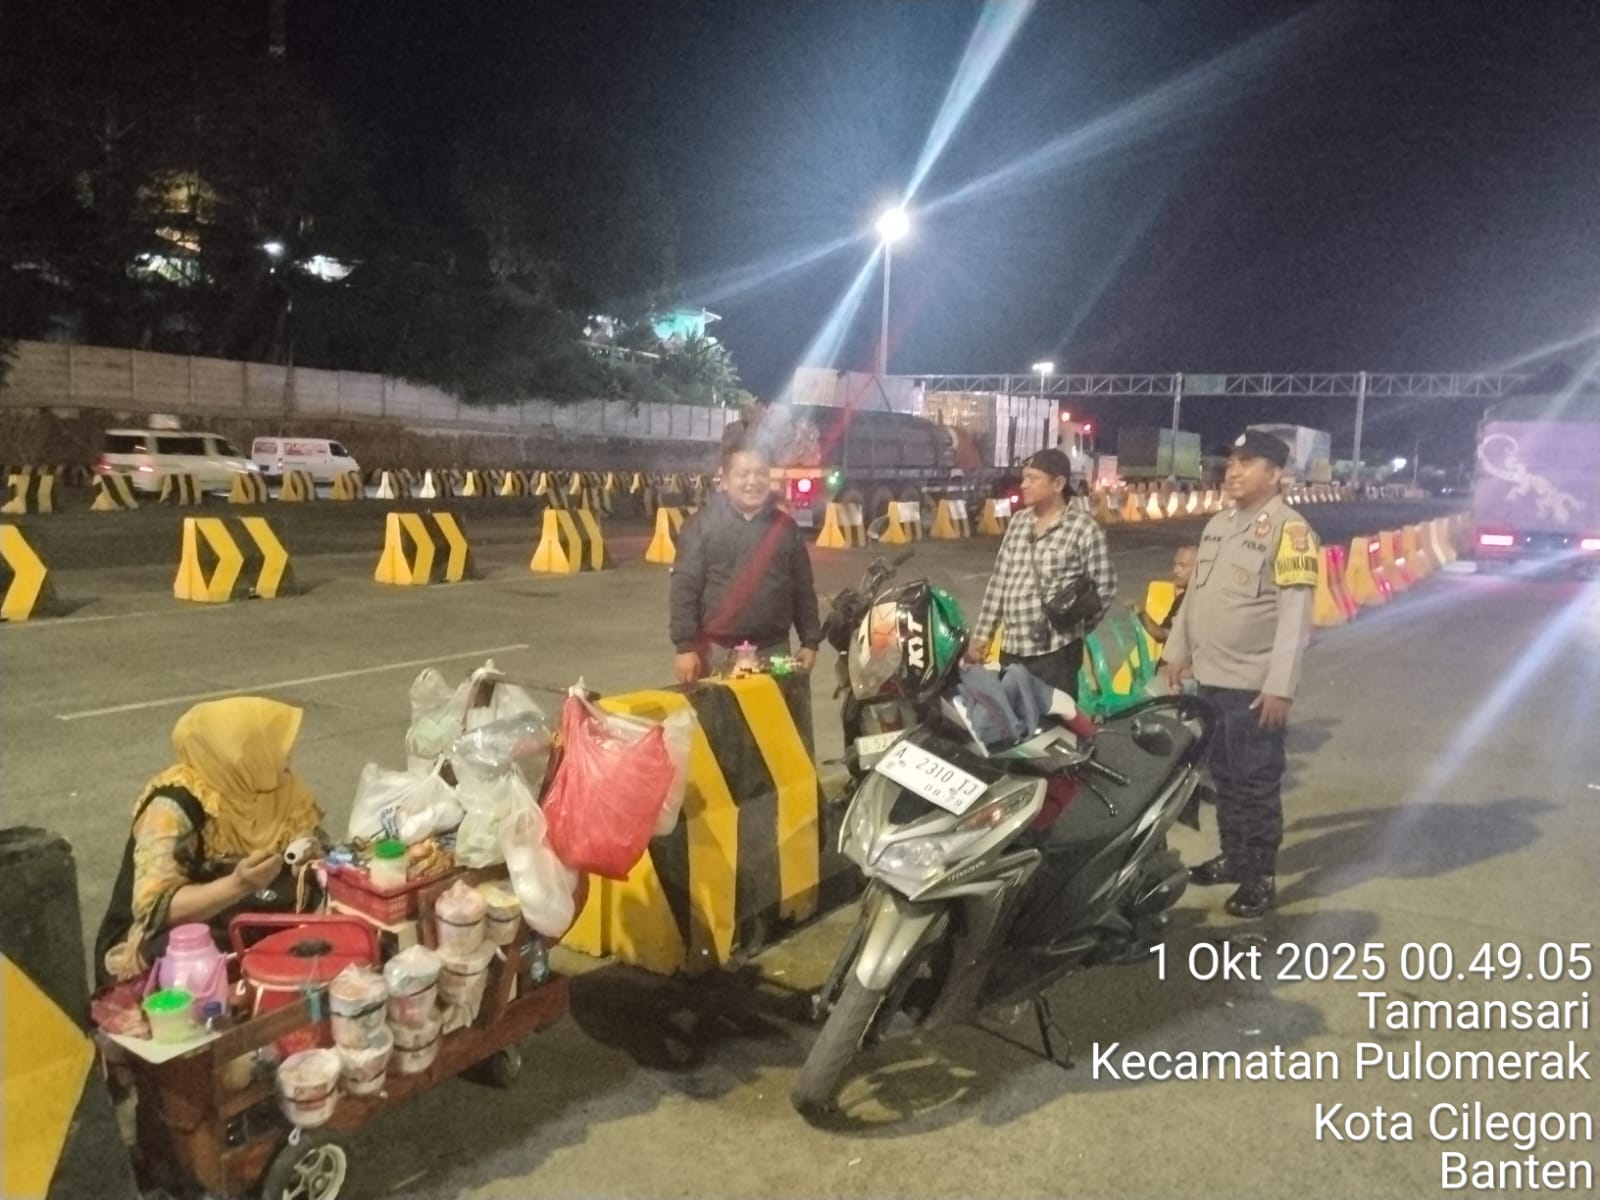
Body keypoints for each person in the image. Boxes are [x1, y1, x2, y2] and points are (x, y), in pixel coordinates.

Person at [1161, 431, 1319, 919]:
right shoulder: (1218, 525)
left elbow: (1295, 616)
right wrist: (1175, 653)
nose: (1233, 470)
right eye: (1231, 461)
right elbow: (1195, 597)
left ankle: (1259, 877)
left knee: (1255, 783)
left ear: (1275, 474)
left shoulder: (1290, 532)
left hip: (1253, 686)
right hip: (1210, 679)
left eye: (1247, 462)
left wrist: (1280, 686)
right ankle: (1233, 855)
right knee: (1225, 779)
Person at [94, 697, 324, 985]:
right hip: (168, 933)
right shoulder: (175, 805)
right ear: (240, 756)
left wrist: (309, 857)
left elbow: (309, 845)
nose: (288, 761)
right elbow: (153, 910)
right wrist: (239, 884)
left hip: (236, 909)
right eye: (277, 749)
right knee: (199, 962)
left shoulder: (276, 786)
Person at [965, 447, 1117, 699]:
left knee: (1054, 719)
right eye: (1024, 477)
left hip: (1056, 655)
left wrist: (1075, 626)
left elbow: (1105, 587)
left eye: (1033, 478)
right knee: (1013, 717)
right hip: (1013, 648)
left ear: (1058, 484)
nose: (1024, 484)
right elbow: (1000, 580)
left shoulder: (1083, 528)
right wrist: (982, 635)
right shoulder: (1019, 522)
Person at [670, 436, 822, 684]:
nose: (753, 481)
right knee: (718, 711)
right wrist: (685, 647)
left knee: (776, 711)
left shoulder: (786, 529)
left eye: (761, 473)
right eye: (743, 474)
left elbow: (803, 589)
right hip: (715, 654)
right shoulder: (700, 527)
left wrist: (810, 641)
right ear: (724, 480)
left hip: (774, 652)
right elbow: (684, 589)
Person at [1133, 544, 1198, 649]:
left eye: (1183, 566)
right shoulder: (1181, 599)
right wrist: (1141, 613)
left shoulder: (1203, 602)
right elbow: (1162, 634)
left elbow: (1164, 636)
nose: (1175, 570)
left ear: (1199, 568)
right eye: (1175, 564)